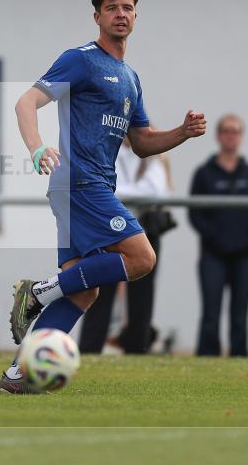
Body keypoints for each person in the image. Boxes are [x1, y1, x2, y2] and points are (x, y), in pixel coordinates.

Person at [0, 0, 206, 393]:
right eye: (112, 8)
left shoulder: (131, 78)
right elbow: (26, 102)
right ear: (97, 16)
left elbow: (142, 143)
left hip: (90, 187)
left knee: (83, 291)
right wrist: (37, 148)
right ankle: (38, 291)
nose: (120, 14)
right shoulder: (80, 59)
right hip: (79, 182)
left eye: (127, 8)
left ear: (136, 16)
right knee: (142, 257)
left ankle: (18, 376)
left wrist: (181, 133)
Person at [78, 135, 174, 355]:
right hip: (110, 231)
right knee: (100, 289)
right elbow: (101, 188)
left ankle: (137, 348)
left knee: (142, 292)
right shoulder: (106, 150)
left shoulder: (154, 156)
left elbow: (155, 191)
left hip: (144, 229)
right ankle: (90, 348)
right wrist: (120, 192)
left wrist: (117, 192)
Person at [189, 114, 248, 357]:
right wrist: (216, 239)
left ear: (241, 137)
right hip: (212, 254)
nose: (230, 136)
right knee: (211, 313)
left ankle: (240, 359)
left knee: (240, 314)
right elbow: (195, 214)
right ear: (218, 136)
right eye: (226, 131)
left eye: (235, 131)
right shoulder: (204, 173)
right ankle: (206, 359)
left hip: (244, 255)